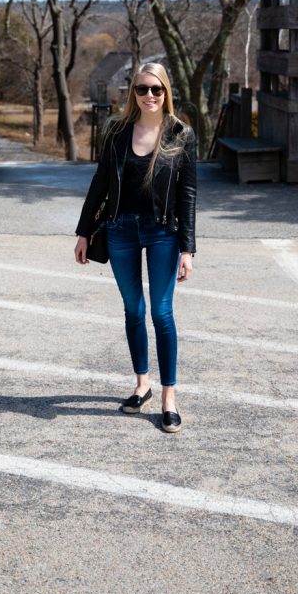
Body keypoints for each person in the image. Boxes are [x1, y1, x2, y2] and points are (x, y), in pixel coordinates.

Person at [74, 62, 196, 434]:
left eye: (156, 89)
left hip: (162, 233)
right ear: (133, 93)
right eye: (142, 89)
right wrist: (83, 232)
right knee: (132, 308)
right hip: (120, 229)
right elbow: (99, 183)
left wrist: (188, 249)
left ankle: (168, 398)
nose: (149, 96)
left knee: (161, 312)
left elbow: (188, 194)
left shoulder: (180, 134)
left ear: (166, 92)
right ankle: (141, 384)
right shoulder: (116, 131)